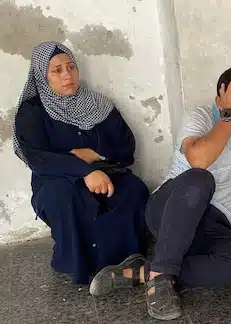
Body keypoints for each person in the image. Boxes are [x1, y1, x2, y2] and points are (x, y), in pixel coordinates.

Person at [90, 67, 231, 320]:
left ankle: (144, 272)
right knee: (201, 178)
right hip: (172, 207)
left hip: (215, 222)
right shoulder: (200, 117)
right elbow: (198, 160)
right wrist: (229, 117)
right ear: (219, 102)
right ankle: (160, 279)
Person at [12, 41, 150, 285]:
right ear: (42, 76)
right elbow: (37, 158)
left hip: (106, 173)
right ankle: (90, 266)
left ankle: (126, 260)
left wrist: (95, 156)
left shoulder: (98, 104)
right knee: (67, 197)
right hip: (56, 180)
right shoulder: (32, 111)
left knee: (133, 189)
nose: (67, 75)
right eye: (57, 70)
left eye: (71, 67)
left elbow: (126, 148)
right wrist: (84, 171)